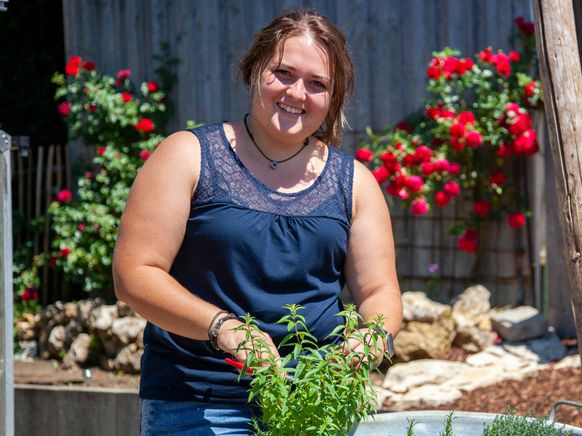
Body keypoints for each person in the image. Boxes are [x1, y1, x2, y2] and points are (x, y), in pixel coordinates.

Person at [112, 8, 402, 434]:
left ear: (333, 98)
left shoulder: (355, 183)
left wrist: (370, 338)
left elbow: (380, 291)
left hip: (314, 403)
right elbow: (134, 274)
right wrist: (223, 328)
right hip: (199, 402)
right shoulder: (188, 155)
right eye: (283, 73)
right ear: (254, 71)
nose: (297, 93)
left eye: (317, 83)